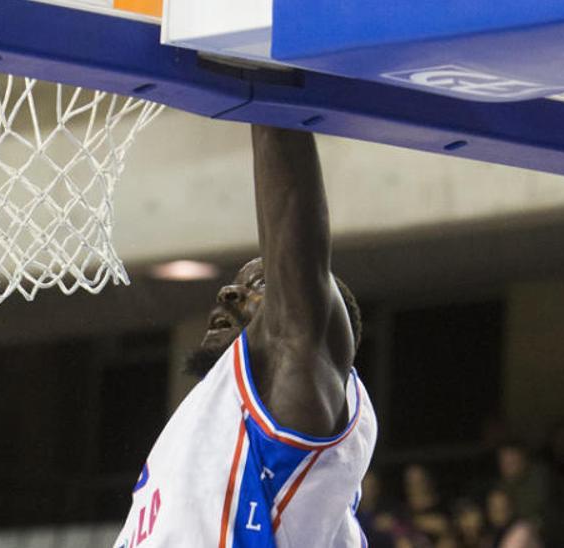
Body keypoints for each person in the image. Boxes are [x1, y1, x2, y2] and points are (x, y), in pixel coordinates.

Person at [113, 126, 376, 547]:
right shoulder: (207, 421)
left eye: (262, 284)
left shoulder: (301, 381)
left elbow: (293, 226)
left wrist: (267, 101)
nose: (228, 292)